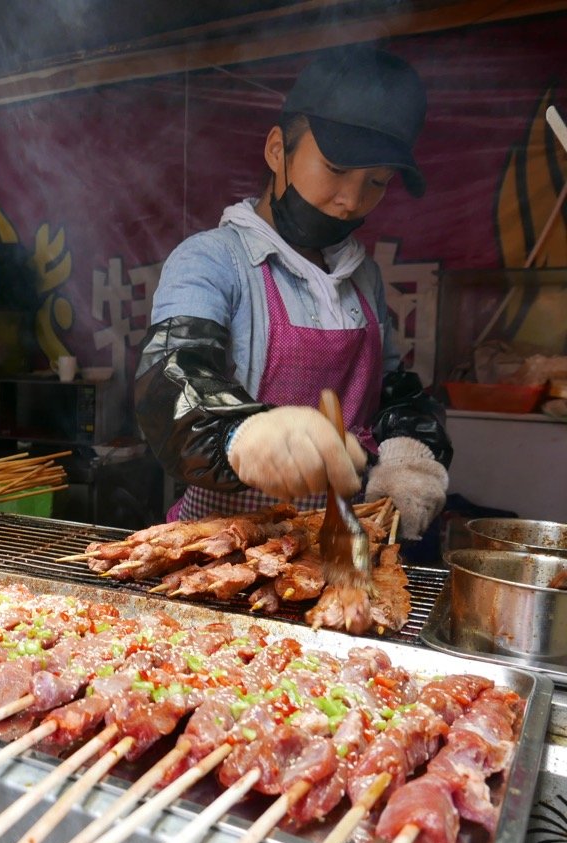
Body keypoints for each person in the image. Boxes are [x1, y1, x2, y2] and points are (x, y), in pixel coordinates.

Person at [134, 46, 451, 541]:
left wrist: (408, 451)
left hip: (338, 545)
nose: (351, 200)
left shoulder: (362, 275)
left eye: (376, 181)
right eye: (335, 169)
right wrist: (245, 437)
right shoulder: (212, 260)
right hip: (224, 542)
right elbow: (173, 374)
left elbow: (389, 387)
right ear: (278, 149)